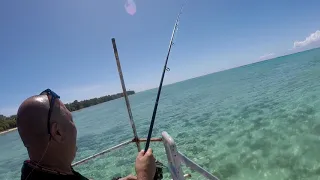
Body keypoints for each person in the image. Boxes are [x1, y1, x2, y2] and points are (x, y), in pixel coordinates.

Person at [16, 89, 156, 180]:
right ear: (57, 132)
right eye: (71, 120)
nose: (75, 127)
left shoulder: (34, 173)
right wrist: (144, 175)